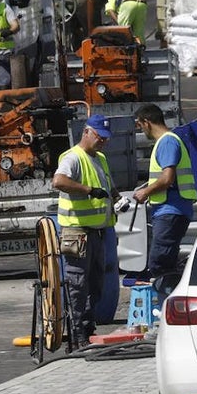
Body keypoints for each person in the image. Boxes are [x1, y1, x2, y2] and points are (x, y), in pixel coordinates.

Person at [51, 113, 117, 348]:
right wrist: (88, 190)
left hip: (97, 231)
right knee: (78, 284)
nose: (104, 142)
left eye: (107, 139)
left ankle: (88, 327)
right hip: (76, 232)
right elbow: (58, 181)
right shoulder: (73, 158)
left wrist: (115, 197)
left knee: (96, 282)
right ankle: (79, 332)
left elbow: (107, 187)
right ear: (86, 132)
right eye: (100, 137)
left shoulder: (99, 158)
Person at [131, 104, 197, 279]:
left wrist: (145, 192)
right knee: (165, 262)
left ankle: (166, 302)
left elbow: (167, 178)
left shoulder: (167, 141)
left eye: (139, 124)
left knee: (159, 264)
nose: (141, 129)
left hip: (171, 210)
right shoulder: (168, 141)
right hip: (171, 210)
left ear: (147, 122)